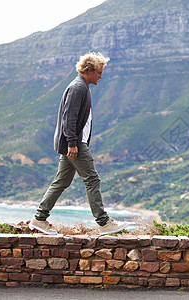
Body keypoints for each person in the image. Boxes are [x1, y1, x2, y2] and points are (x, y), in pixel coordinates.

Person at [29, 52, 128, 235]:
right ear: (89, 70)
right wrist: (73, 143)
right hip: (75, 143)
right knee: (92, 179)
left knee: (62, 181)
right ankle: (104, 222)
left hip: (73, 142)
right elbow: (69, 117)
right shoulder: (78, 88)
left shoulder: (82, 86)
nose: (101, 75)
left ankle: (39, 219)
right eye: (99, 72)